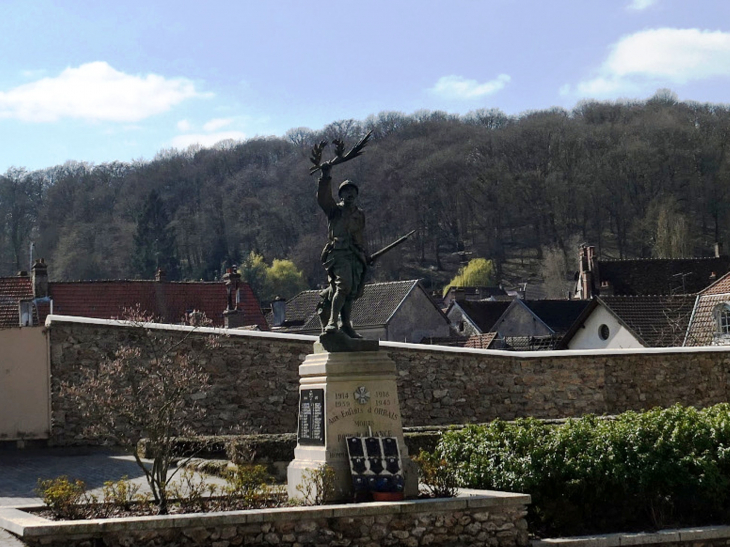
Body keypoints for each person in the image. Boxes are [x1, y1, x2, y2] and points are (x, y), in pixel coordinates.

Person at [316, 163, 370, 338]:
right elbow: (323, 199)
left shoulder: (359, 214)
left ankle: (346, 325)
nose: (350, 194)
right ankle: (332, 321)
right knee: (344, 285)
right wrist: (325, 176)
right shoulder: (335, 210)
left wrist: (365, 255)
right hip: (338, 253)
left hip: (354, 254)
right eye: (346, 191)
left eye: (353, 191)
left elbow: (359, 236)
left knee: (351, 291)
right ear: (340, 195)